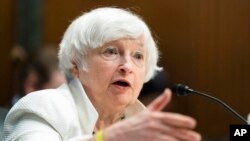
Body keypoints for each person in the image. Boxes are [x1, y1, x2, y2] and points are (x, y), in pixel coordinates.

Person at [3, 7, 201, 141]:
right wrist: (108, 138)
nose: (127, 66)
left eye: (138, 56)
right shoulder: (43, 107)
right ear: (76, 64)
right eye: (111, 52)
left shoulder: (143, 124)